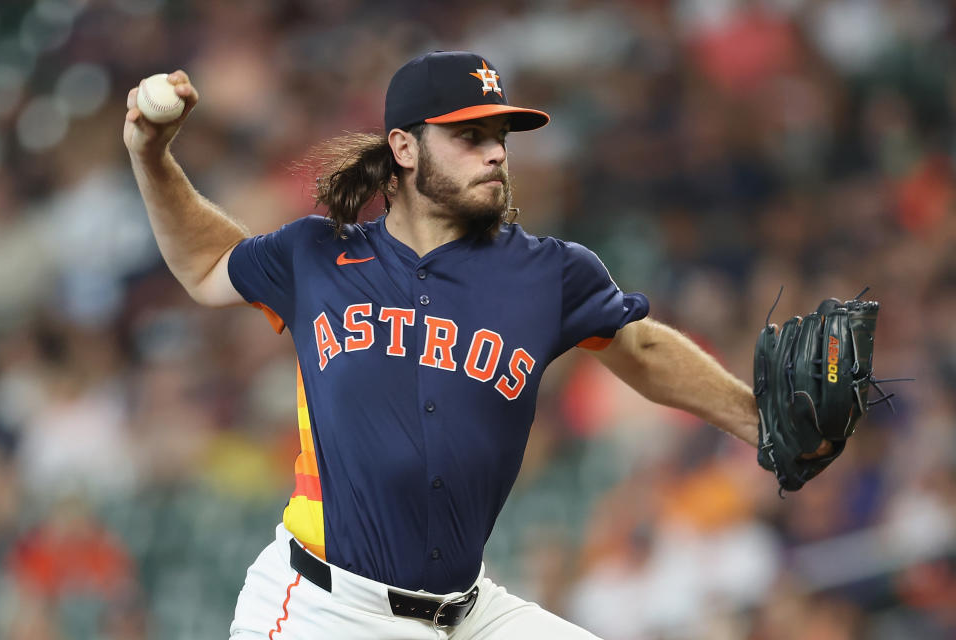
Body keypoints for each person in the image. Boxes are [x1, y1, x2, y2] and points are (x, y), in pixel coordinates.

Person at [125, 50, 763, 639]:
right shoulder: (319, 253)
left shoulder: (549, 272)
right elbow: (207, 266)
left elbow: (643, 349)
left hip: (468, 613)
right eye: (469, 136)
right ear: (404, 147)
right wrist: (152, 158)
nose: (495, 155)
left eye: (499, 139)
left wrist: (755, 421)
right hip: (326, 610)